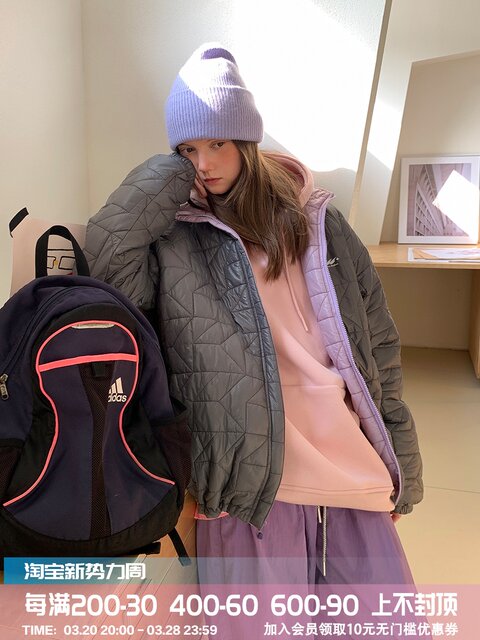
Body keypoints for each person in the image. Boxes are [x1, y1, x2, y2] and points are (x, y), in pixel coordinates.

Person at [85, 44, 423, 588]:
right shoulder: (176, 238)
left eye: (217, 143)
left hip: (348, 463)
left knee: (377, 620)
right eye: (188, 149)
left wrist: (402, 461)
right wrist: (166, 174)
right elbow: (108, 264)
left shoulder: (320, 222)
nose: (203, 164)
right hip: (247, 481)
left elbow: (378, 345)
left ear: (247, 140)